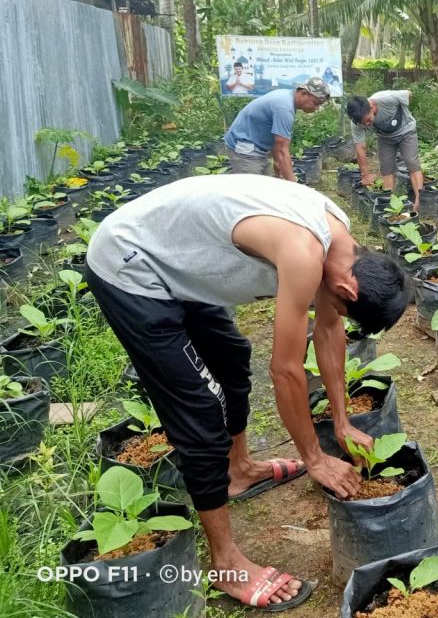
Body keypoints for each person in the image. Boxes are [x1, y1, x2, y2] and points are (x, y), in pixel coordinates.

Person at [84, 174, 411, 611]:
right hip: (131, 264)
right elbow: (286, 371)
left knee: (232, 357)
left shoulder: (341, 243)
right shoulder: (304, 252)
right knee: (200, 412)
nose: (334, 310)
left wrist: (342, 420)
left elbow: (329, 329)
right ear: (348, 289)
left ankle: (237, 471)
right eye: (342, 305)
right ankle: (226, 565)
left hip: (177, 261)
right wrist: (314, 458)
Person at [223, 77, 330, 180]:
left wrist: (278, 162)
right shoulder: (284, 107)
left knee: (269, 186)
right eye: (316, 103)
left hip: (259, 149)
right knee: (253, 189)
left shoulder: (287, 97)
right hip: (245, 149)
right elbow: (282, 150)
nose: (317, 108)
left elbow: (276, 138)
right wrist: (294, 186)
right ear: (303, 93)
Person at [346, 90, 423, 210]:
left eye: (368, 120)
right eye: (364, 123)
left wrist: (405, 108)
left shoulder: (387, 99)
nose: (367, 124)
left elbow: (409, 93)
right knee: (386, 168)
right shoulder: (356, 123)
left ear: (371, 107)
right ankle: (389, 205)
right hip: (385, 138)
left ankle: (419, 201)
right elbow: (360, 147)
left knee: (411, 162)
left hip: (406, 131)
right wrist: (365, 175)